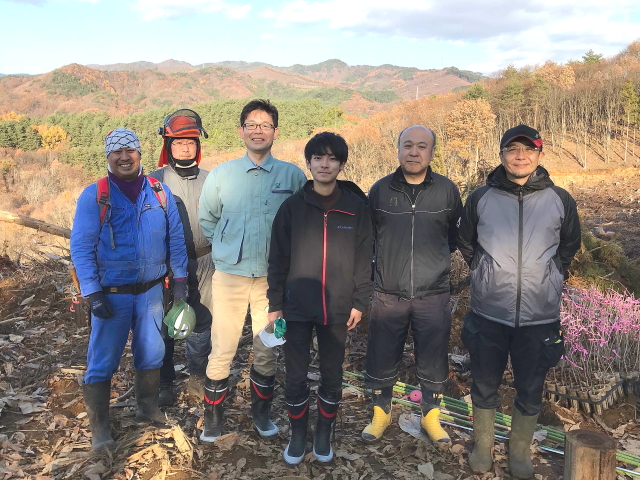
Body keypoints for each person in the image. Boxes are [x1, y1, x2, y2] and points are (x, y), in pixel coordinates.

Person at [458, 125, 581, 478]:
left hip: (539, 315)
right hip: (488, 312)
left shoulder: (561, 199)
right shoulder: (480, 198)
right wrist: (485, 271)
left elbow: (569, 245)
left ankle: (519, 452)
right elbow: (466, 242)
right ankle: (483, 447)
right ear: (502, 155)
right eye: (512, 149)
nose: (520, 155)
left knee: (530, 386)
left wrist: (554, 273)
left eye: (528, 150)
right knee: (484, 383)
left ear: (540, 155)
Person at [70, 129, 188, 452]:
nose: (124, 157)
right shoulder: (95, 196)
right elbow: (81, 247)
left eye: (130, 151)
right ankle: (101, 430)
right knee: (102, 360)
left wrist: (180, 282)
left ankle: (147, 408)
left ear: (140, 154)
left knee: (152, 353)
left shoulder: (158, 192)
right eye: (117, 152)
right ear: (108, 157)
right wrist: (92, 293)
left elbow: (175, 240)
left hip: (151, 292)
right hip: (112, 294)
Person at [198, 99, 307, 443]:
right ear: (241, 130)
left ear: (275, 131)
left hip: (272, 283)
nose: (258, 130)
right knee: (223, 347)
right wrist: (228, 246)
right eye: (251, 124)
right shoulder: (222, 174)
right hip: (229, 277)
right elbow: (208, 219)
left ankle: (260, 414)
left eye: (265, 124)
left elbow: (302, 223)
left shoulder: (291, 176)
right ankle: (213, 419)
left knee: (267, 349)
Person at [267, 132, 373, 464]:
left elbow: (364, 256)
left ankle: (324, 434)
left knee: (331, 374)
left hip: (338, 308)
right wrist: (274, 304)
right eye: (317, 158)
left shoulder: (356, 208)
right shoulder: (292, 208)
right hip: (295, 308)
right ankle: (299, 436)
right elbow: (278, 259)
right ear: (309, 162)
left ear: (341, 164)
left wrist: (360, 300)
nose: (324, 164)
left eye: (331, 158)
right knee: (295, 375)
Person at [362, 125, 462, 446]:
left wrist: (432, 266)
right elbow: (368, 238)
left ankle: (431, 415)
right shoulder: (380, 191)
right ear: (398, 150)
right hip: (388, 290)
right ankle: (381, 412)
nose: (414, 152)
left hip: (433, 291)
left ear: (431, 153)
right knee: (382, 351)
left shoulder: (447, 191)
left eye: (422, 146)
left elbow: (453, 237)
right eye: (408, 145)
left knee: (433, 355)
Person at [149, 109, 214, 406]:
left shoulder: (213, 179)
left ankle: (197, 375)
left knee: (202, 321)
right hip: (165, 265)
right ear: (168, 146)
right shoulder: (152, 182)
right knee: (164, 322)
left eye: (190, 142)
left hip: (206, 261)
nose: (185, 147)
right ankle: (164, 381)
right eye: (178, 142)